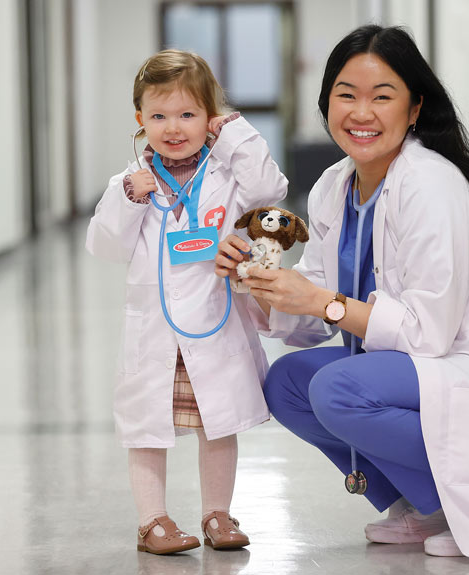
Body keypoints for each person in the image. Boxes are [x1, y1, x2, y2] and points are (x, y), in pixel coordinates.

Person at [215, 25, 469, 566]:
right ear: (326, 105)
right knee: (288, 384)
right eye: (346, 95)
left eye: (382, 96)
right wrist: (259, 286)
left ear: (414, 110)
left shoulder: (433, 185)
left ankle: (462, 507)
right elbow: (311, 318)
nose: (361, 112)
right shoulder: (332, 186)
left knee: (338, 389)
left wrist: (322, 301)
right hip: (415, 363)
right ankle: (425, 506)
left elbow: (427, 333)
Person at [86, 49, 287, 555]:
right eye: (158, 116)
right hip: (155, 331)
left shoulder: (227, 175)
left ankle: (218, 514)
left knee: (217, 424)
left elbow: (272, 187)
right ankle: (152, 521)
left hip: (211, 323)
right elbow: (104, 247)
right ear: (140, 121)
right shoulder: (129, 184)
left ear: (210, 119)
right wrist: (129, 198)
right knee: (146, 430)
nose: (172, 127)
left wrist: (237, 134)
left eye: (188, 114)